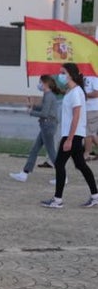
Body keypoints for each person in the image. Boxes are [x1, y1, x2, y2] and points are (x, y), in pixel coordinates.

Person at [41, 62, 98, 209]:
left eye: (63, 72)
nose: (60, 75)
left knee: (60, 164)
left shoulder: (77, 92)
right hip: (71, 134)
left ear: (70, 74)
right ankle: (95, 196)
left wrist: (70, 138)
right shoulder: (70, 91)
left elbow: (76, 116)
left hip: (73, 135)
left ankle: (57, 200)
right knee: (80, 165)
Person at [10, 75, 61, 183]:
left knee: (51, 152)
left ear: (45, 84)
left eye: (40, 82)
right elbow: (43, 108)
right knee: (34, 149)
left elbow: (44, 113)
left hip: (48, 126)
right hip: (46, 126)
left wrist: (31, 112)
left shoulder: (48, 96)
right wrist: (32, 106)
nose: (39, 84)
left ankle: (62, 176)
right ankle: (24, 173)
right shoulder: (48, 95)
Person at [83, 72, 98, 160]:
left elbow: (96, 93)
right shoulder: (84, 76)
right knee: (91, 133)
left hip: (92, 108)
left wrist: (84, 95)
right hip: (85, 108)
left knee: (87, 132)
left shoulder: (95, 77)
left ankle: (86, 153)